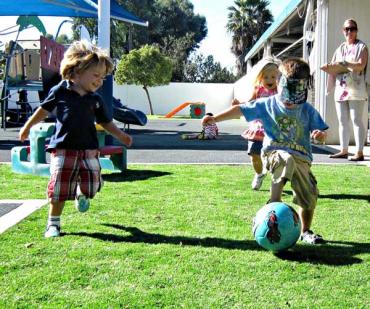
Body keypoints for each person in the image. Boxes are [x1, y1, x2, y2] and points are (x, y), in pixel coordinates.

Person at [202, 58, 329, 244]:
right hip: (273, 153)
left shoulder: (307, 110)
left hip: (301, 158)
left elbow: (324, 131)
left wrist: (321, 135)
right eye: (287, 96)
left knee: (309, 197)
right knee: (286, 159)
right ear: (278, 83)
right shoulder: (267, 104)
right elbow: (239, 110)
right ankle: (273, 203)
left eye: (295, 98)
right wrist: (214, 118)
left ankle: (305, 231)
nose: (290, 103)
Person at [19, 41, 133, 238]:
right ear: (77, 71)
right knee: (59, 187)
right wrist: (27, 127)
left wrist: (122, 136)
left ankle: (82, 192)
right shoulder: (60, 91)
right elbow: (43, 111)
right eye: (96, 75)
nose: (99, 81)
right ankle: (53, 224)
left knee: (93, 185)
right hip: (63, 148)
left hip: (89, 149)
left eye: (103, 77)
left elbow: (106, 122)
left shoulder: (95, 99)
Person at [232, 57, 279, 190]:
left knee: (274, 158)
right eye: (266, 77)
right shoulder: (258, 90)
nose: (270, 80)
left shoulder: (279, 91)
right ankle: (259, 174)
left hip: (274, 129)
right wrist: (239, 104)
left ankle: (276, 181)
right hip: (257, 128)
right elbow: (249, 103)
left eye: (273, 77)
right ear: (260, 77)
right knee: (254, 154)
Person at [327, 18, 369, 161]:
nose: (349, 31)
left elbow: (361, 65)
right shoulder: (340, 48)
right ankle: (343, 150)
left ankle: (359, 152)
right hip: (341, 87)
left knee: (356, 119)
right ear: (343, 31)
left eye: (352, 29)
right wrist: (329, 67)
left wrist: (346, 63)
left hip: (356, 88)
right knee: (342, 120)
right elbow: (334, 65)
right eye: (347, 29)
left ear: (356, 31)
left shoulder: (362, 47)